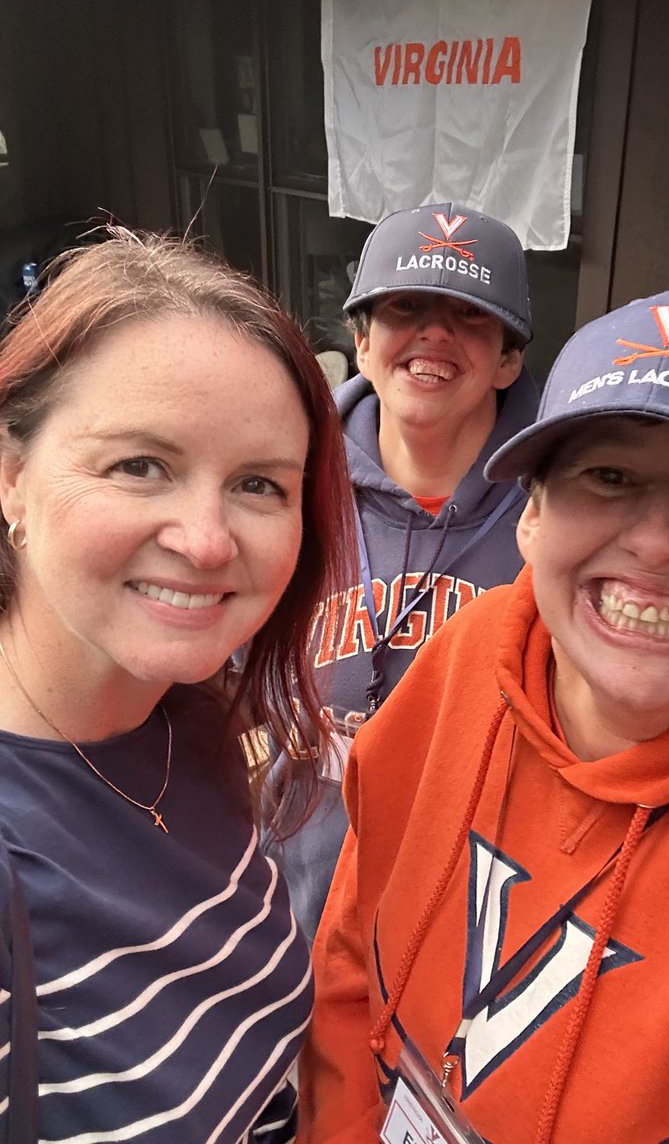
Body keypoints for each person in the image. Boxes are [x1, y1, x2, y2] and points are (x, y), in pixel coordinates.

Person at [302, 285, 669, 1144]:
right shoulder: (466, 658)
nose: (657, 541)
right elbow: (351, 957)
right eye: (609, 477)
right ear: (532, 518)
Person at [0, 231, 356, 1140]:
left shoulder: (192, 717)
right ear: (11, 478)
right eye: (140, 465)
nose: (206, 540)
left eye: (258, 484)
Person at [268, 204, 538, 941]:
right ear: (361, 340)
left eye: (470, 317)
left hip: (468, 910)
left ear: (509, 360)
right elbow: (230, 671)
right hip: (296, 890)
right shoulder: (284, 476)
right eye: (404, 308)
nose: (434, 335)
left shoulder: (554, 511)